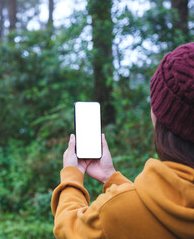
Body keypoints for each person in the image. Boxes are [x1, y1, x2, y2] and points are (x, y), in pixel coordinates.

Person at [51, 42, 194, 239]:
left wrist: (71, 177)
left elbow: (70, 229)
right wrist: (111, 177)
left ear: (162, 117)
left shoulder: (116, 211)